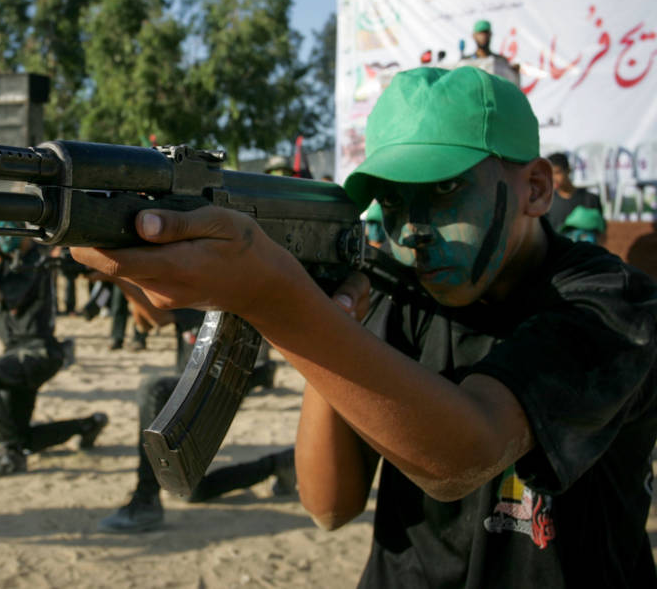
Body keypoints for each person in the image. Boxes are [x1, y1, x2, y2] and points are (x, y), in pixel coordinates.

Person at [72, 66, 657, 585]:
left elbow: (464, 456)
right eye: (395, 202)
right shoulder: (399, 288)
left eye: (445, 190)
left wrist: (281, 302)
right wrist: (330, 316)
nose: (412, 232)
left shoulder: (610, 305)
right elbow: (329, 504)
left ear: (534, 188)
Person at [96, 283, 280, 533]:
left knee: (154, 389)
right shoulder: (188, 285)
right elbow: (145, 322)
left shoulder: (208, 286)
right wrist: (131, 282)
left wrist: (119, 278)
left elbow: (158, 318)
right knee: (193, 491)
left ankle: (146, 499)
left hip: (211, 393)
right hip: (189, 394)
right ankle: (279, 463)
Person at [0, 234, 108, 478]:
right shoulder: (8, 260)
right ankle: (88, 424)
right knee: (21, 437)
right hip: (18, 354)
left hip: (37, 353)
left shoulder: (34, 260)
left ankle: (9, 455)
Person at [545, 151, 603, 232]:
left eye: (557, 172)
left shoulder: (591, 199)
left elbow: (600, 232)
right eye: (549, 174)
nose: (553, 178)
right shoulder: (547, 203)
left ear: (568, 171)